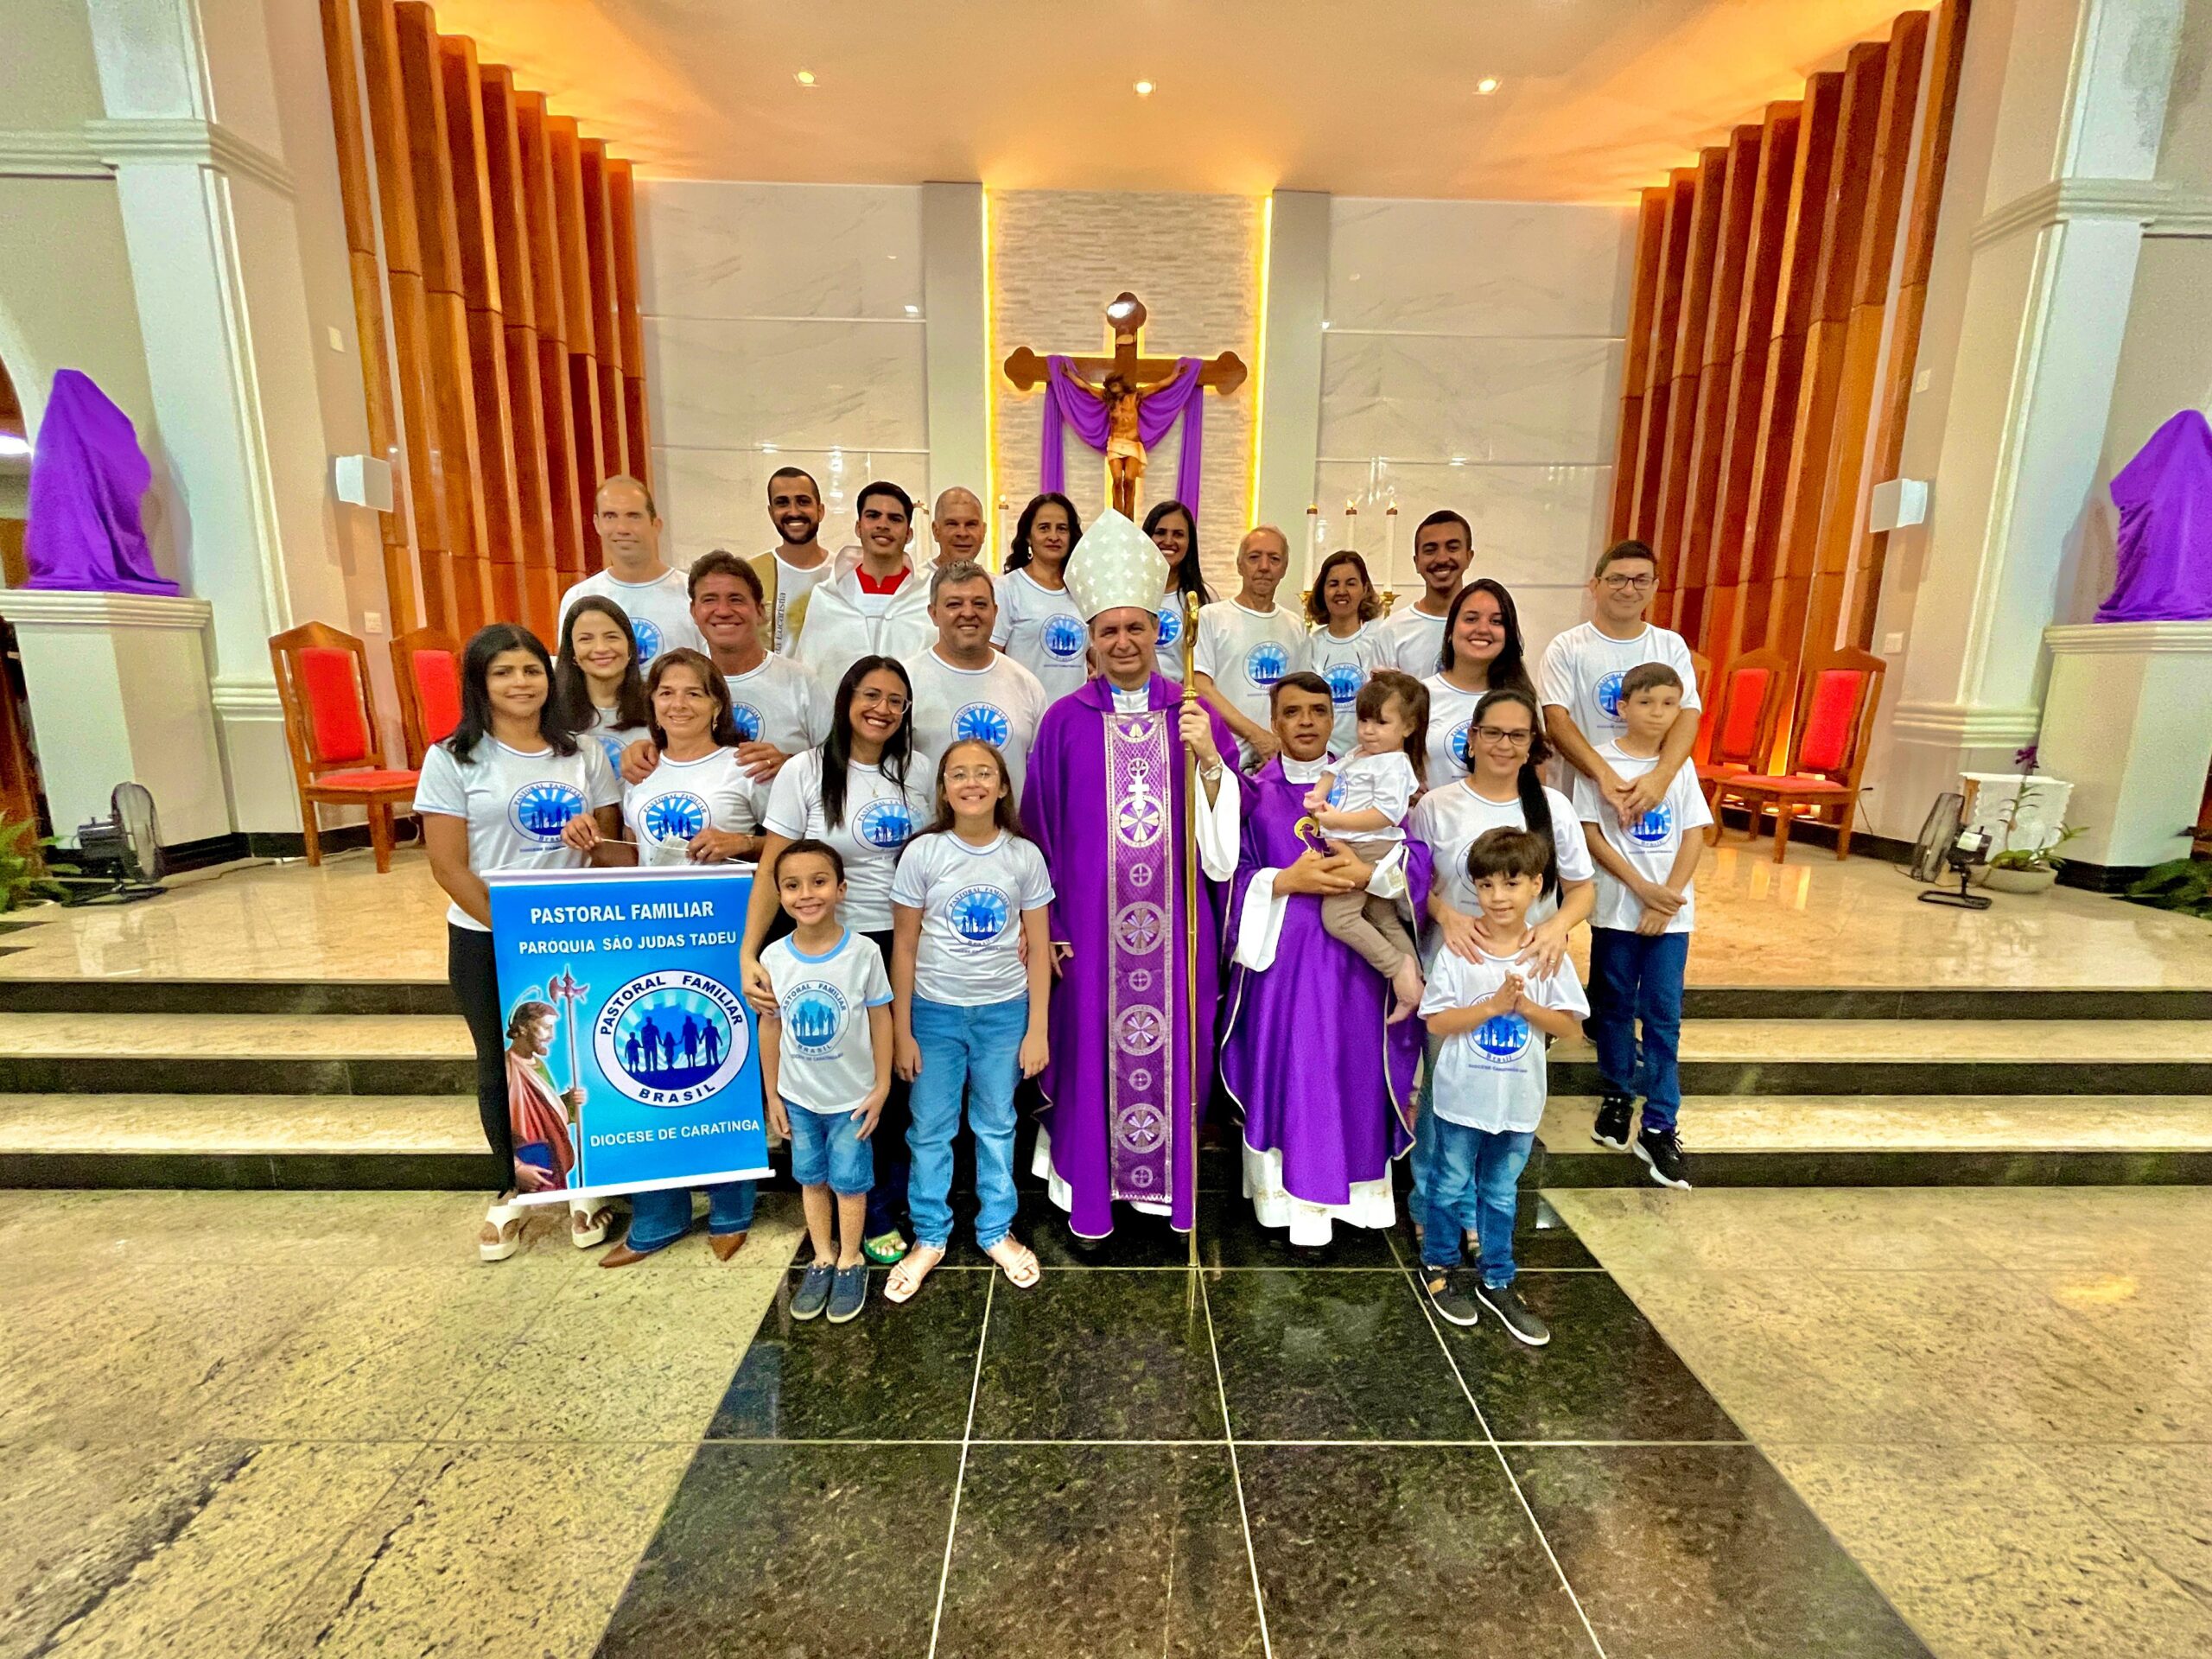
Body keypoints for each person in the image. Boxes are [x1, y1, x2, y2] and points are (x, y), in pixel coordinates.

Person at [1020, 510, 1241, 1245]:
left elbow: (1225, 842)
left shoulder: (1194, 716)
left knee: (1175, 1047)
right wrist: (1049, 926)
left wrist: (1211, 760)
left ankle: (1161, 1191)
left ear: (1158, 632)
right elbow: (1039, 830)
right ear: (1089, 638)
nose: (1123, 642)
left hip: (1177, 930)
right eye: (1109, 630)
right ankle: (1088, 1187)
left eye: (1136, 628)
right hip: (1087, 931)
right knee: (1088, 1051)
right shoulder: (1063, 721)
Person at [413, 623, 621, 1262]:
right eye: (503, 672)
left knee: (582, 1059)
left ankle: (585, 1182)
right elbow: (448, 866)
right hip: (487, 935)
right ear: (479, 683)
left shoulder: (583, 753)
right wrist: (516, 938)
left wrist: (591, 838)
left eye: (531, 670)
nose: (520, 683)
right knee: (499, 1065)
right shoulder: (452, 757)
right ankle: (513, 1188)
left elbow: (612, 852)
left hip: (574, 935)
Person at [557, 651, 761, 1265]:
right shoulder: (637, 771)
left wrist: (740, 840)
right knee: (645, 1078)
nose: (679, 703)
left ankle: (732, 1205)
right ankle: (660, 1212)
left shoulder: (746, 766)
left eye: (694, 692)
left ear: (717, 703)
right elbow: (635, 856)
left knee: (725, 1065)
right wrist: (590, 844)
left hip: (724, 937)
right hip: (649, 939)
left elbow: (785, 845)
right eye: (667, 692)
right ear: (651, 702)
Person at [1221, 673, 1432, 1251]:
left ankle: (1359, 1202)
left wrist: (1369, 874)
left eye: (1318, 710)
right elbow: (1226, 877)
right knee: (1295, 1076)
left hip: (1355, 971)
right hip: (1282, 973)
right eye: (1292, 712)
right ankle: (1287, 1203)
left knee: (1351, 1074)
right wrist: (1285, 880)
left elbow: (1413, 856)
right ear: (1274, 720)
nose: (1307, 721)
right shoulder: (1254, 793)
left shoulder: (1369, 774)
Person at [743, 656, 927, 1264]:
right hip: (829, 945)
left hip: (901, 941)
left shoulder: (919, 771)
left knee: (893, 1080)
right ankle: (858, 1216)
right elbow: (773, 868)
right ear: (846, 699)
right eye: (870, 695)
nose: (882, 709)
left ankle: (888, 1201)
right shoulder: (805, 770)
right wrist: (748, 951)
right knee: (840, 1080)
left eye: (895, 700)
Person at [1406, 686, 1595, 1261]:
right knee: (1446, 1095)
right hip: (1457, 965)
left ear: (1532, 743)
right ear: (1472, 738)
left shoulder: (1552, 808)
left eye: (1518, 735)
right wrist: (1447, 916)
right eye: (1493, 733)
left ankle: (1477, 1213)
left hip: (1529, 968)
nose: (1504, 745)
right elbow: (1411, 882)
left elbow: (1583, 890)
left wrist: (1556, 927)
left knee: (1500, 1088)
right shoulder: (1438, 805)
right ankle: (1433, 1206)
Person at [887, 739, 1054, 1300]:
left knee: (996, 1123)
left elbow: (1038, 946)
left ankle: (996, 1229)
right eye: (958, 774)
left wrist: (1037, 1029)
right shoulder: (923, 854)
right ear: (943, 789)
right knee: (930, 1129)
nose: (972, 783)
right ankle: (930, 1235)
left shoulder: (1023, 856)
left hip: (1004, 1015)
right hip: (933, 1014)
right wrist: (903, 1030)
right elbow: (904, 947)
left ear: (1003, 786)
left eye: (985, 773)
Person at [1417, 826, 1588, 1345]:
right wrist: (1492, 1007)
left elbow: (1570, 1029)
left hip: (1517, 1102)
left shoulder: (1547, 953)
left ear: (1536, 885)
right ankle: (1439, 1265)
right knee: (1448, 1184)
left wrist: (1525, 1006)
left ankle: (1498, 1278)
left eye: (1511, 884)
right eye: (1486, 885)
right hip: (1460, 1098)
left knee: (1500, 1193)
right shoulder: (1460, 952)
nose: (1497, 897)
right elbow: (1436, 1021)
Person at [1573, 662, 1709, 1192]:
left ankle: (1660, 1122)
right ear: (1622, 706)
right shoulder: (1601, 763)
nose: (1658, 714)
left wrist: (1666, 899)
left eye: (1669, 704)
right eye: (1647, 703)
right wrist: (1640, 889)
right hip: (1617, 910)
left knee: (1663, 1015)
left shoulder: (1679, 767)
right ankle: (1616, 1095)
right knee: (1612, 1007)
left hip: (1669, 917)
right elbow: (1590, 835)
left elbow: (1694, 834)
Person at [759, 840, 892, 1325]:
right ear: (779, 894)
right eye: (792, 886)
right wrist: (773, 1094)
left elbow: (880, 1019)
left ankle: (851, 1260)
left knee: (850, 1183)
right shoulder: (774, 957)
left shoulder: (864, 953)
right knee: (811, 1178)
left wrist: (881, 1086)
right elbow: (770, 1026)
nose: (806, 894)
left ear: (841, 889)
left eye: (818, 882)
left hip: (852, 1100)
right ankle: (821, 1256)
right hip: (799, 1099)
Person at [1538, 538, 1703, 828]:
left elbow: (1688, 714)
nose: (1628, 590)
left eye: (1641, 580)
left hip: (1650, 792)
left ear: (1654, 586)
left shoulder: (1670, 645)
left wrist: (1661, 777)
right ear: (1595, 586)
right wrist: (1605, 776)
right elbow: (1556, 720)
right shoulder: (1567, 646)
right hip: (1581, 792)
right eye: (1617, 579)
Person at [1303, 670, 1429, 1020]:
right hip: (1354, 840)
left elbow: (1386, 815)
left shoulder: (1395, 764)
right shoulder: (1361, 753)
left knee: (1338, 918)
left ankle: (1397, 967)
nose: (1369, 730)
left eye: (1381, 723)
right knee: (1380, 916)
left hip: (1369, 845)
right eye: (1364, 721)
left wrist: (1337, 821)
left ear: (1408, 727)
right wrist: (1319, 795)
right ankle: (1417, 984)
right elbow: (1332, 771)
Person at [905, 560, 1052, 794]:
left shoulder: (1027, 684)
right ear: (933, 614)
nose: (968, 613)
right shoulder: (906, 683)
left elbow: (1043, 779)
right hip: (931, 818)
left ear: (995, 612)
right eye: (954, 604)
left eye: (979, 604)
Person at [790, 480, 933, 690]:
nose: (883, 525)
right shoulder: (827, 597)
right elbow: (809, 675)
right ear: (858, 527)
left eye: (894, 519)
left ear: (909, 534)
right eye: (873, 516)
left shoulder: (929, 596)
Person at [1192, 525, 1312, 771]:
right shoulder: (1210, 617)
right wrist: (1256, 735)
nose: (1264, 567)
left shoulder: (1295, 626)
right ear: (1239, 565)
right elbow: (1200, 686)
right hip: (1222, 754)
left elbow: (1301, 694)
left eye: (1274, 559)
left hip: (1278, 758)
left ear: (1284, 568)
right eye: (1254, 557)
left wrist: (1285, 745)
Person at [556, 475, 703, 664]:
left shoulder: (692, 593)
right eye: (610, 516)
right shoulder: (579, 598)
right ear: (597, 524)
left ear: (656, 525)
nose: (622, 528)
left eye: (633, 516)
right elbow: (569, 671)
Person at [1422, 579, 1537, 785]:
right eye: (1471, 619)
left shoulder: (1523, 701)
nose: (1483, 629)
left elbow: (1535, 783)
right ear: (1450, 631)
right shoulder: (1421, 695)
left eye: (1496, 621)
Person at [995, 493, 1088, 701]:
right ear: (1028, 535)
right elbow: (991, 657)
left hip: (1074, 710)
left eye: (1062, 529)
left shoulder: (1082, 591)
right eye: (1044, 528)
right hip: (1024, 707)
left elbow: (1096, 654)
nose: (1054, 536)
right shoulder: (1007, 588)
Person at [552, 596, 651, 772]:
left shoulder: (658, 706)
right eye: (586, 639)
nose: (601, 648)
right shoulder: (551, 713)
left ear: (630, 647)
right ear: (572, 652)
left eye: (611, 637)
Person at [1306, 549, 1388, 758]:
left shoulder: (1381, 636)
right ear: (1322, 591)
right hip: (1322, 758)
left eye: (1351, 583)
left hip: (1370, 756)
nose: (1341, 591)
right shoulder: (1311, 643)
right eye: (1333, 584)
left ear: (1364, 589)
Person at [1376, 511, 1473, 676]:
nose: (1442, 559)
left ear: (1469, 556)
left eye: (1452, 548)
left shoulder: (1490, 626)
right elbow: (1380, 692)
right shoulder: (1392, 631)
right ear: (1417, 562)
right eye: (1430, 550)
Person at [748, 466, 830, 652]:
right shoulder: (750, 574)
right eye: (782, 503)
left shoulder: (843, 571)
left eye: (803, 502)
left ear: (820, 510)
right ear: (771, 513)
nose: (793, 512)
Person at [504, 1000, 578, 1186]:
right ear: (523, 1028)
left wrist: (569, 1102)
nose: (552, 1036)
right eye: (546, 1028)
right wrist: (516, 1167)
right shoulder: (507, 1067)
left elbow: (545, 1111)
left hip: (551, 1157)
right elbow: (500, 1121)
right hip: (528, 1159)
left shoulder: (539, 1065)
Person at [1143, 499, 1212, 683]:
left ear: (1190, 542)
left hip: (1182, 695)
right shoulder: (1128, 592)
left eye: (1178, 534)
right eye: (1160, 532)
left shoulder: (1203, 598)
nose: (1168, 541)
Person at [927, 486, 989, 567]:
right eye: (952, 524)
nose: (962, 533)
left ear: (983, 531)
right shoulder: (917, 575)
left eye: (971, 524)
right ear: (936, 531)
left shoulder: (992, 576)